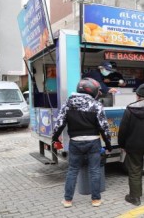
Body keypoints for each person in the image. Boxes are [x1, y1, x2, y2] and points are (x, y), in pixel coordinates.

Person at [51, 77, 112, 208]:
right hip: (93, 142)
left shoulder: (68, 103)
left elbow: (59, 123)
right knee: (95, 171)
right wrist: (108, 145)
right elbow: (104, 127)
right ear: (92, 90)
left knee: (72, 170)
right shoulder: (96, 105)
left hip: (75, 142)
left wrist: (55, 138)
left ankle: (67, 200)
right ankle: (96, 200)